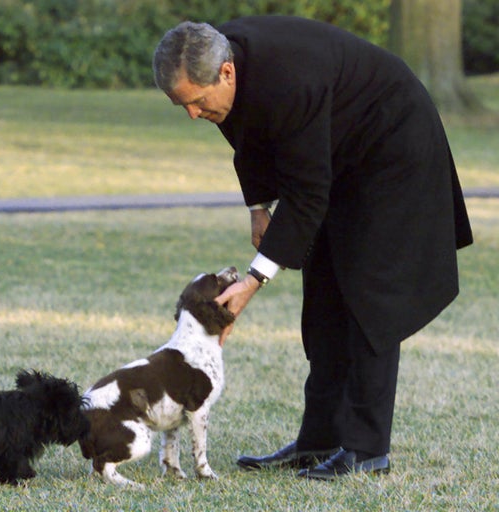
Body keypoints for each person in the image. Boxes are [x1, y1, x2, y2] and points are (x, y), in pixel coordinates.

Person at [152, 16, 473, 480]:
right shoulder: (212, 54)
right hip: (336, 154)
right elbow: (249, 135)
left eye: (198, 102)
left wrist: (253, 280)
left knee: (369, 298)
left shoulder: (288, 81)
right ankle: (319, 439)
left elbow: (306, 194)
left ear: (226, 73)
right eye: (182, 105)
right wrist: (259, 207)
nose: (193, 115)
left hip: (392, 148)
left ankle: (366, 450)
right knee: (324, 297)